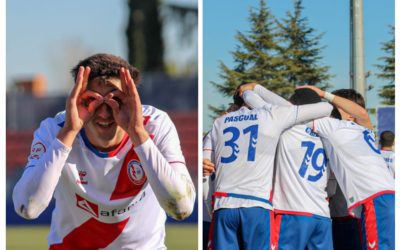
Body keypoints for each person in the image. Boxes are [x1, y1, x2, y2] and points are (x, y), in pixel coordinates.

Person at [12, 53, 195, 249]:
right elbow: (27, 208)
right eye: (91, 100)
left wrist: (137, 133)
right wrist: (69, 131)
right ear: (76, 98)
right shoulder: (55, 131)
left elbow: (181, 208)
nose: (104, 113)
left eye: (116, 99)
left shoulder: (155, 126)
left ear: (133, 100)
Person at [207, 85, 333, 250]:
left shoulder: (220, 122)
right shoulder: (275, 115)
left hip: (227, 204)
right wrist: (253, 91)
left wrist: (248, 92)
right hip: (264, 205)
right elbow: (327, 107)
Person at [299, 86, 394, 250]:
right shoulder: (364, 131)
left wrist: (323, 95)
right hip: (371, 202)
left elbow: (294, 113)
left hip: (369, 202)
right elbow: (363, 114)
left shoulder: (334, 127)